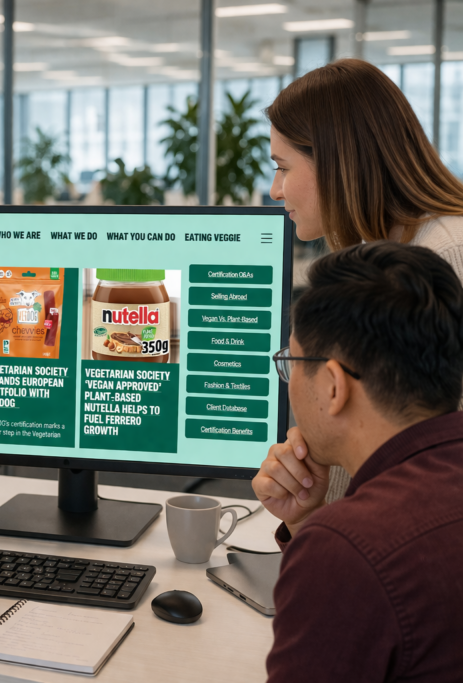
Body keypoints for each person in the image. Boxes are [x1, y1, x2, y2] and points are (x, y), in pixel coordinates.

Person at [252, 242, 463, 682]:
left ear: (334, 385)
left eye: (292, 362)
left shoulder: (349, 549)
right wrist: (307, 520)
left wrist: (326, 540)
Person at [266, 58, 463, 500]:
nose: (276, 189)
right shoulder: (377, 251)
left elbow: (437, 467)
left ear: (335, 163)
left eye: (283, 167)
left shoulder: (446, 257)